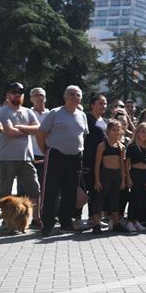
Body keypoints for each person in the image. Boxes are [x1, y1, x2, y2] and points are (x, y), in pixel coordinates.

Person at [36, 86, 89, 235]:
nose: (74, 97)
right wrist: (46, 152)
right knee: (50, 191)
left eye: (77, 95)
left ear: (81, 98)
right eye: (71, 94)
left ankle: (66, 222)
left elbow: (83, 136)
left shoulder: (82, 115)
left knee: (70, 192)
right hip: (56, 155)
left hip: (75, 158)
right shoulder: (55, 113)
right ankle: (47, 224)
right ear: (65, 96)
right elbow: (40, 134)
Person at [0, 82, 41, 227]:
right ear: (7, 95)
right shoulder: (3, 111)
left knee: (35, 189)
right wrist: (27, 130)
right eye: (13, 91)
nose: (17, 94)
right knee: (6, 192)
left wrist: (20, 128)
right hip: (7, 158)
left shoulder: (28, 112)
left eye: (20, 92)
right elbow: (10, 132)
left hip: (26, 158)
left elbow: (37, 129)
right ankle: (7, 220)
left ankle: (36, 219)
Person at [93, 119, 127, 234]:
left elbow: (122, 164)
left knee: (115, 199)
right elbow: (97, 164)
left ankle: (116, 223)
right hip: (105, 174)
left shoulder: (121, 147)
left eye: (118, 130)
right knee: (100, 198)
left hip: (116, 175)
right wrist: (97, 180)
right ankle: (96, 224)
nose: (116, 132)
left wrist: (123, 179)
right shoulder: (102, 145)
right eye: (113, 130)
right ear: (108, 131)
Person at [125, 122, 146, 233]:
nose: (145, 134)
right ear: (137, 132)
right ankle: (129, 221)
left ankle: (136, 220)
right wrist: (128, 178)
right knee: (134, 198)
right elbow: (127, 164)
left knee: (141, 198)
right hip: (135, 173)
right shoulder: (132, 146)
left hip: (145, 174)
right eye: (142, 132)